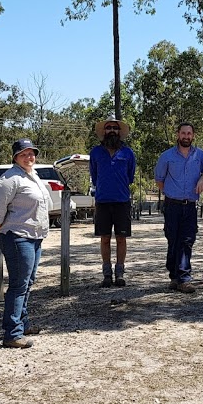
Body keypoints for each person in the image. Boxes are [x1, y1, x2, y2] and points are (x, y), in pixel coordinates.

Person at [0, 138, 51, 349]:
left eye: (32, 153)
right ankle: (12, 333)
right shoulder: (10, 178)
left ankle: (22, 325)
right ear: (15, 157)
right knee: (18, 284)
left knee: (28, 282)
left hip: (34, 235)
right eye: (24, 154)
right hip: (17, 235)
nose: (29, 157)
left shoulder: (33, 175)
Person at [153, 122, 203, 294]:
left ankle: (184, 278)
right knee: (173, 240)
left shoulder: (200, 155)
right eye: (183, 133)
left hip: (190, 207)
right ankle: (174, 276)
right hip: (172, 205)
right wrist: (171, 192)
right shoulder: (166, 156)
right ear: (178, 135)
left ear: (193, 136)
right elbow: (159, 179)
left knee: (187, 241)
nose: (186, 136)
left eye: (189, 133)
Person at [90, 118, 136, 288]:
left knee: (121, 238)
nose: (111, 131)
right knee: (105, 238)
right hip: (102, 201)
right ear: (104, 131)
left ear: (119, 132)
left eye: (115, 128)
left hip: (122, 201)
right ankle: (107, 275)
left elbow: (130, 177)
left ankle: (120, 274)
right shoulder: (95, 152)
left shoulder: (128, 153)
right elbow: (95, 177)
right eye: (108, 128)